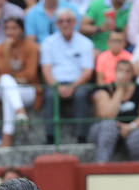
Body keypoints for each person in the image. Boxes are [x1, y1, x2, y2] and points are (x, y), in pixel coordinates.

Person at [40, 9, 94, 144]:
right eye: (61, 21)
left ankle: (82, 137)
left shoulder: (86, 43)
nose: (65, 24)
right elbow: (46, 70)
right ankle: (50, 138)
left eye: (68, 20)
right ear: (56, 24)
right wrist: (57, 86)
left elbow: (87, 71)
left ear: (75, 22)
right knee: (50, 95)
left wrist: (73, 86)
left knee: (81, 95)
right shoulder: (48, 42)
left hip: (78, 83)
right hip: (55, 83)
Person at [89, 58, 139, 162]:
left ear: (132, 74)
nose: (124, 74)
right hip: (103, 129)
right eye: (121, 71)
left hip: (130, 127)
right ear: (115, 72)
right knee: (109, 126)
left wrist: (130, 126)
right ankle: (101, 168)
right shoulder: (105, 90)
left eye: (127, 71)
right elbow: (108, 116)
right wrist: (120, 90)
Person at [0, 16, 37, 149]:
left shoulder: (31, 47)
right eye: (7, 28)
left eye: (14, 28)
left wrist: (14, 78)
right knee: (6, 82)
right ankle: (20, 111)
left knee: (9, 93)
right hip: (6, 87)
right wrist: (7, 51)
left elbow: (31, 74)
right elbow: (2, 73)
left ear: (22, 30)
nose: (10, 32)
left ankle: (6, 139)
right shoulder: (0, 49)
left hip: (27, 90)